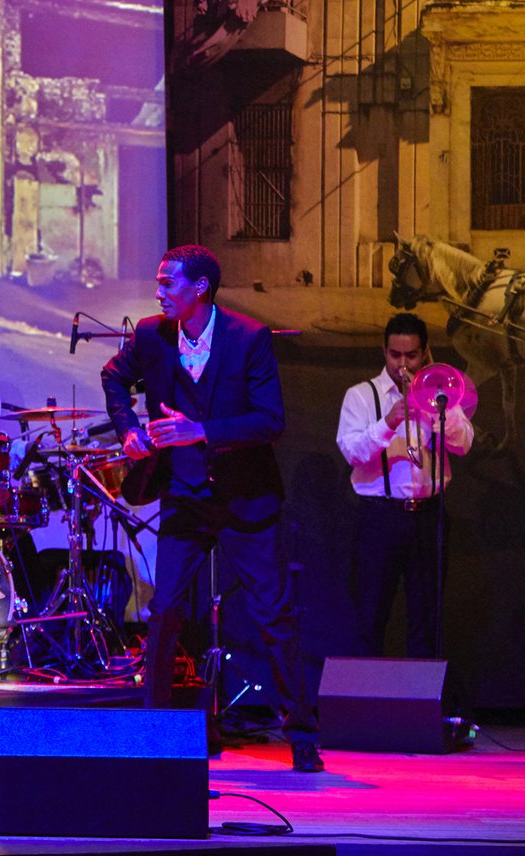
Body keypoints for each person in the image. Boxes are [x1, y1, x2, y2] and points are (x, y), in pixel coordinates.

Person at [100, 244, 323, 772]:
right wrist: (128, 429)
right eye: (158, 282)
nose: (158, 292)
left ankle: (301, 735)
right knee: (165, 611)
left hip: (246, 498)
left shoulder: (248, 337)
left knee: (273, 615)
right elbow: (114, 378)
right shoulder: (151, 335)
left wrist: (200, 431)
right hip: (185, 494)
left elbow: (270, 420)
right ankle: (155, 731)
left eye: (168, 283)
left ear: (199, 288)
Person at [336, 313, 472, 658]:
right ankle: (367, 692)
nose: (402, 365)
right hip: (379, 517)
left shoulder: (439, 394)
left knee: (426, 621)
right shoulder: (361, 395)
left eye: (411, 356)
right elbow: (352, 452)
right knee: (370, 616)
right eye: (395, 355)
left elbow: (463, 444)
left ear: (424, 353)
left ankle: (420, 692)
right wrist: (388, 421)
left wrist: (438, 414)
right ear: (384, 351)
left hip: (428, 517)